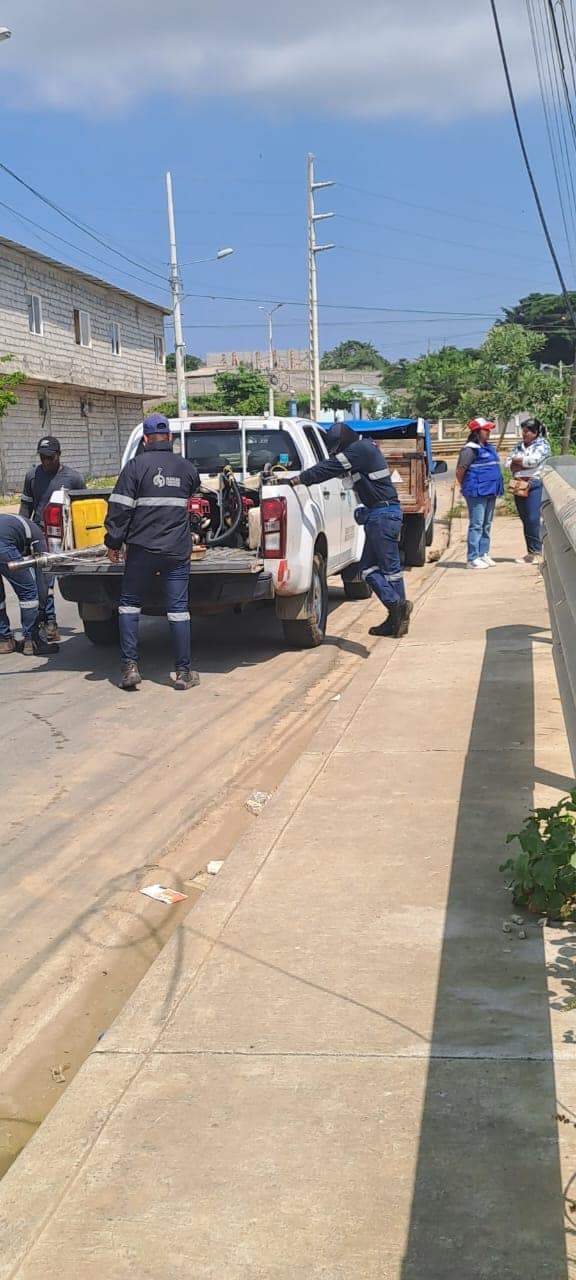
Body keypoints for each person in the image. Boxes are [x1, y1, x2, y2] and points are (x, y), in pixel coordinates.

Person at [104, 413, 201, 691]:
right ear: (169, 437)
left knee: (129, 605)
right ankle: (183, 673)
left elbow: (120, 509)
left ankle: (130, 668)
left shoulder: (135, 467)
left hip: (141, 549)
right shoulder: (186, 468)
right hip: (176, 551)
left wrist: (113, 542)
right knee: (178, 610)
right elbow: (195, 506)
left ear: (145, 439)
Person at [290, 421, 411, 638]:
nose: (338, 453)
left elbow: (329, 468)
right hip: (379, 515)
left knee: (388, 569)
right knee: (369, 569)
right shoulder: (363, 450)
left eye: (338, 449)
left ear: (344, 441)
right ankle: (396, 614)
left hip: (383, 516)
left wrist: (299, 479)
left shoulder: (359, 449)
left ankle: (397, 606)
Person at [19, 435, 85, 641]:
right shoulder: (32, 476)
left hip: (65, 537)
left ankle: (48, 620)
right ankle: (49, 622)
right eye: (42, 457)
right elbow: (26, 507)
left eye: (50, 457)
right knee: (43, 580)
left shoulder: (73, 478)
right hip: (39, 534)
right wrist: (23, 535)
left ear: (59, 455)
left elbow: (82, 509)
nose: (46, 462)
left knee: (58, 579)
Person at [0, 513, 59, 656]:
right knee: (29, 594)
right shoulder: (38, 535)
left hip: (4, 541)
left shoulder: (15, 523)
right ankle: (32, 642)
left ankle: (4, 641)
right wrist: (43, 608)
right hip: (3, 546)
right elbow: (42, 574)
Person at [456, 417, 504, 569]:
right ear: (477, 432)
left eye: (489, 429)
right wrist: (466, 485)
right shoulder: (469, 449)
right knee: (476, 524)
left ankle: (483, 553)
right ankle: (472, 558)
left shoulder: (489, 447)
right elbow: (460, 471)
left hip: (491, 490)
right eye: (485, 429)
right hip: (476, 491)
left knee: (486, 524)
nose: (488, 432)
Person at [505, 417, 551, 564]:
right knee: (524, 518)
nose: (524, 434)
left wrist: (517, 461)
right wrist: (519, 462)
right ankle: (530, 552)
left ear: (535, 432)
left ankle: (538, 551)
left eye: (527, 431)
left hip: (533, 483)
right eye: (523, 431)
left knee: (533, 518)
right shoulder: (519, 446)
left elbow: (533, 461)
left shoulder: (543, 445)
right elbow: (508, 463)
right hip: (518, 483)